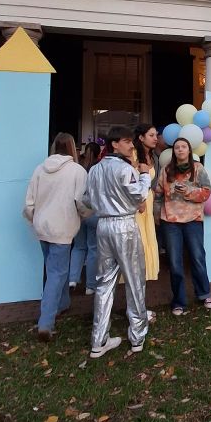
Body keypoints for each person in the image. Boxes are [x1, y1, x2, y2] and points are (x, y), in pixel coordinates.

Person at [85, 126, 151, 357]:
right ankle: (138, 335)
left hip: (103, 225)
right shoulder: (125, 169)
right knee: (134, 280)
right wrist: (144, 175)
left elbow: (87, 199)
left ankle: (98, 339)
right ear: (114, 144)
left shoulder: (94, 170)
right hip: (124, 225)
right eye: (126, 141)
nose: (131, 145)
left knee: (104, 283)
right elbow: (139, 195)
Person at [23, 132, 88, 342]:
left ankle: (62, 304)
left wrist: (35, 219)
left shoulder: (39, 169)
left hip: (42, 225)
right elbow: (81, 202)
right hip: (63, 226)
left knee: (52, 268)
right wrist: (87, 215)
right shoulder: (78, 171)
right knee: (57, 273)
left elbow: (29, 202)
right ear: (72, 147)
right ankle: (46, 322)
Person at [157, 138, 211, 315]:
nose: (180, 150)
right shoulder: (166, 170)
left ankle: (204, 294)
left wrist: (189, 192)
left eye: (183, 147)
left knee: (197, 257)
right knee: (174, 261)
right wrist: (158, 213)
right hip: (171, 221)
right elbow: (158, 192)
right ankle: (179, 301)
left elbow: (206, 192)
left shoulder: (198, 169)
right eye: (177, 147)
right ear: (173, 151)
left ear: (189, 150)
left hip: (193, 220)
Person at [68, 142, 101, 297]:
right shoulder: (98, 168)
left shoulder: (77, 167)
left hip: (78, 212)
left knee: (78, 247)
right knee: (93, 249)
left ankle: (73, 279)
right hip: (93, 211)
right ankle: (90, 286)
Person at [134, 124, 160, 281]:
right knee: (139, 238)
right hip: (138, 202)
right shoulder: (133, 155)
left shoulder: (154, 157)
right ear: (141, 138)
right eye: (151, 135)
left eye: (156, 135)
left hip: (149, 200)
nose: (155, 138)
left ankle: (147, 272)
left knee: (148, 235)